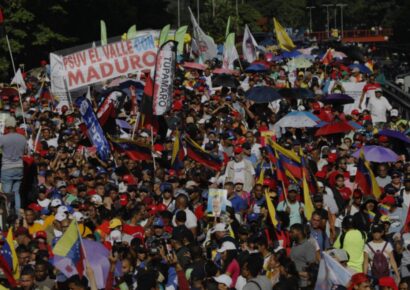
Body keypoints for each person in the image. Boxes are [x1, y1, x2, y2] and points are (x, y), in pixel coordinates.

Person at [0, 116, 27, 216]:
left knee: (7, 194)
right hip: (19, 167)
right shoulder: (22, 138)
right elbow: (25, 152)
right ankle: (17, 215)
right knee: (16, 192)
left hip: (7, 168)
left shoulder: (3, 138)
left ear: (7, 126)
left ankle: (8, 216)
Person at [289, 223, 317, 289]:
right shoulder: (294, 244)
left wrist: (298, 273)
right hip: (294, 283)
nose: (290, 234)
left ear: (299, 232)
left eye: (292, 232)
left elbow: (312, 267)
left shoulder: (308, 246)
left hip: (303, 285)